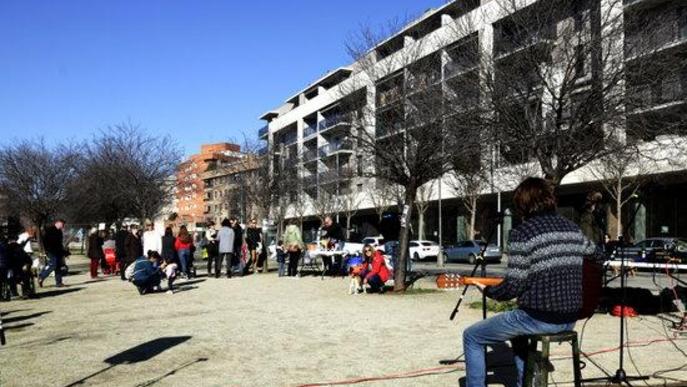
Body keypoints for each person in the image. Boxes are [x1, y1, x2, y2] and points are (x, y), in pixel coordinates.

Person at [461, 177, 597, 387]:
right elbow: (594, 253)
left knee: (472, 336)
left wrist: (488, 290)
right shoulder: (572, 228)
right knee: (519, 336)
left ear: (522, 204)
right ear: (550, 199)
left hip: (538, 318)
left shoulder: (522, 233)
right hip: (570, 317)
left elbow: (513, 286)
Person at [38, 219, 69, 288]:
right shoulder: (50, 230)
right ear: (57, 223)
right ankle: (41, 276)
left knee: (58, 266)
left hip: (57, 251)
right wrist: (47, 250)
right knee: (53, 265)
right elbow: (45, 241)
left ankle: (59, 283)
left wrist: (64, 252)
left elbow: (59, 244)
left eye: (63, 225)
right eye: (62, 224)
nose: (63, 226)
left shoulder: (59, 232)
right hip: (51, 251)